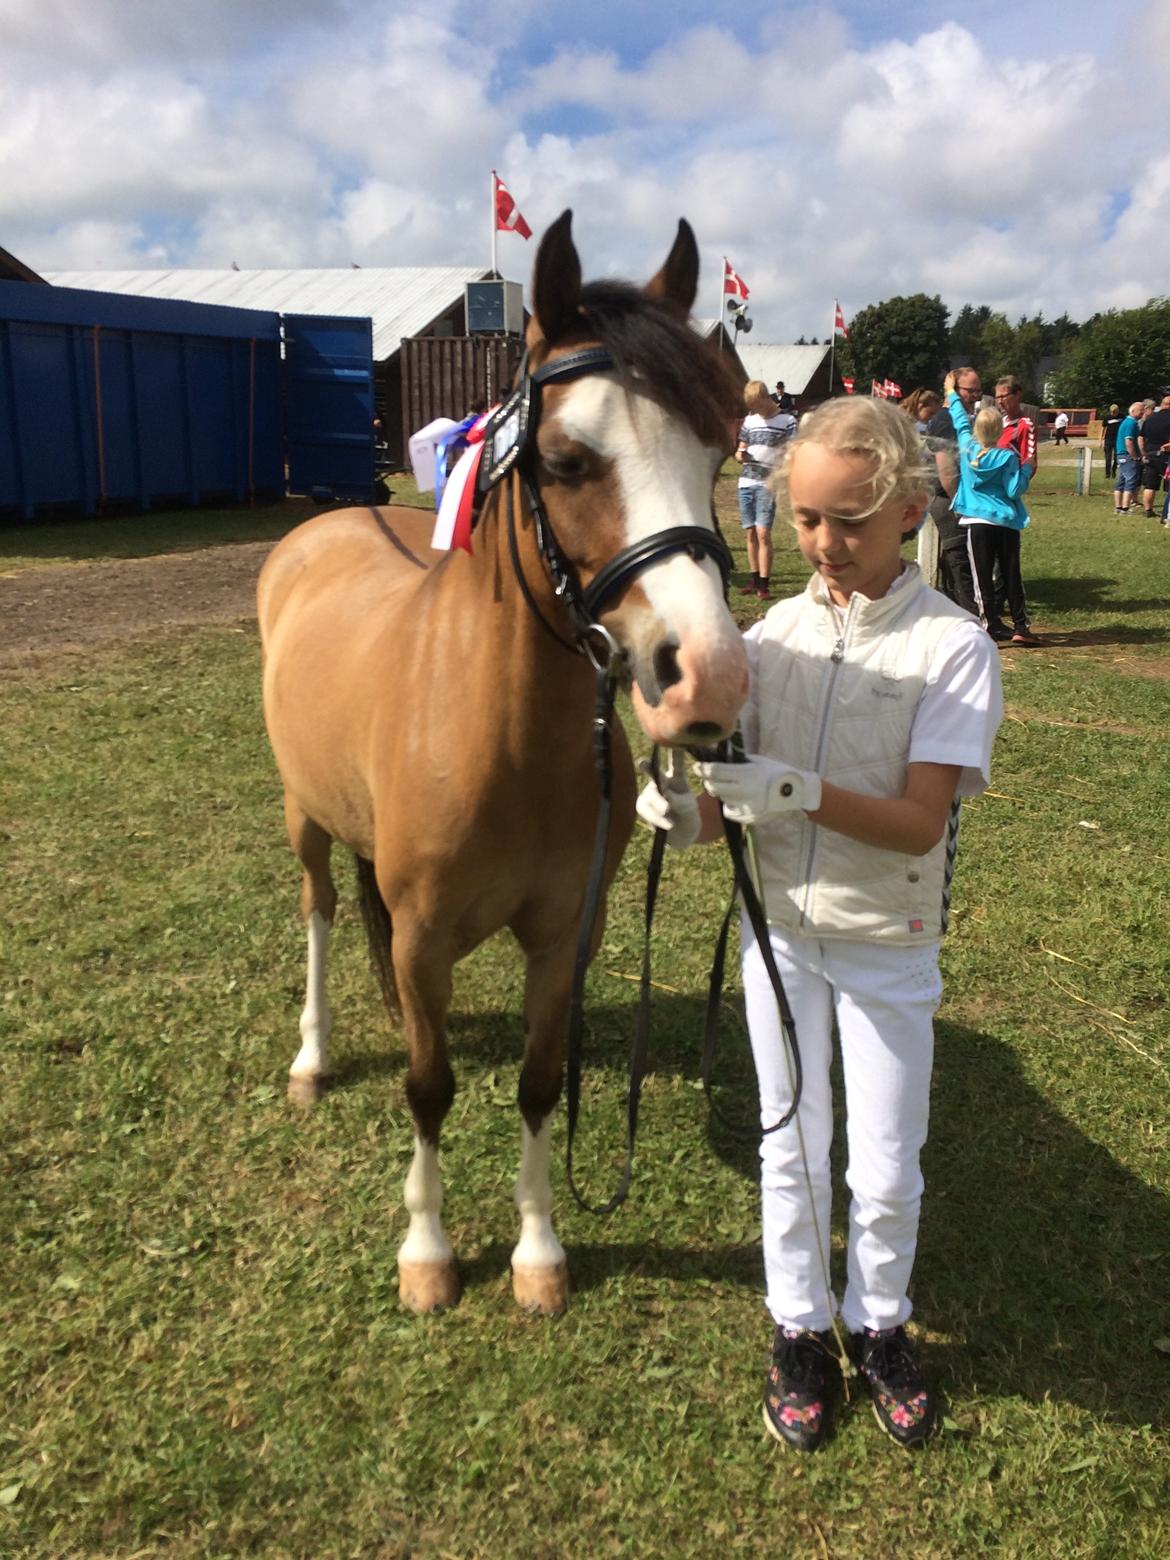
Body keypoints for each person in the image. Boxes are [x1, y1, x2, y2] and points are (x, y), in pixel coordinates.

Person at [636, 396, 1003, 1452]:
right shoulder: (769, 640)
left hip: (887, 944)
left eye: (848, 520)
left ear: (905, 510)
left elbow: (917, 823)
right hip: (780, 937)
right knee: (789, 1141)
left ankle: (881, 1323)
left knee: (886, 1162)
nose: (824, 543)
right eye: (804, 519)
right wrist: (687, 813)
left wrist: (792, 791)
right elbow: (728, 800)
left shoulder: (953, 648)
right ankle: (799, 1324)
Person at [944, 372, 1038, 646]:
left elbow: (959, 419)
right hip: (1005, 522)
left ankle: (988, 625)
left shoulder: (968, 447)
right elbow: (1013, 491)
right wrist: (1025, 469)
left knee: (981, 577)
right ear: (999, 431)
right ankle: (1021, 625)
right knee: (1011, 574)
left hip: (975, 521)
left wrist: (951, 391)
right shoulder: (1008, 456)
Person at [924, 367, 980, 617]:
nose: (976, 395)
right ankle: (973, 616)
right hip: (949, 497)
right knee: (960, 558)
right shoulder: (946, 420)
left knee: (955, 560)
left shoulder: (955, 419)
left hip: (954, 496)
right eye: (971, 390)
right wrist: (960, 504)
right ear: (954, 390)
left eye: (979, 390)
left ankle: (957, 612)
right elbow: (946, 467)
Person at [736, 380, 796, 600]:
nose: (755, 410)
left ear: (765, 398)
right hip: (746, 482)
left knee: (763, 533)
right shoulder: (750, 421)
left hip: (767, 484)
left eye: (757, 405)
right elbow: (738, 451)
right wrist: (741, 455)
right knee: (750, 532)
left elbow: (792, 453)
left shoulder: (787, 420)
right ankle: (754, 579)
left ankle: (764, 584)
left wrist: (779, 477)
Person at [1137, 394, 1170, 519]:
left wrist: (1143, 452)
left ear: (1162, 405)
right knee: (1168, 487)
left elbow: (1141, 437)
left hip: (1151, 455)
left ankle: (1148, 510)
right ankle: (1167, 510)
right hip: (1167, 455)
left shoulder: (1150, 419)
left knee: (1150, 485)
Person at [994, 377, 1037, 471]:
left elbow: (1030, 465)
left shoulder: (1024, 426)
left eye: (1004, 396)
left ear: (1017, 395)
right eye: (997, 397)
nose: (1000, 402)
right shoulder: (998, 423)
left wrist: (1013, 484)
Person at [1114, 401, 1143, 514]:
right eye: (1140, 410)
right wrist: (1135, 456)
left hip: (1121, 454)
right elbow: (1129, 441)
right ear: (1133, 411)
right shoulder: (1131, 423)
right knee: (1130, 481)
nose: (1142, 412)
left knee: (1121, 481)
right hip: (1127, 455)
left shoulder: (1125, 422)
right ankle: (1125, 507)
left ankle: (1118, 506)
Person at [1100, 404, 1121, 482]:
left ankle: (1113, 471)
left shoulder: (1122, 417)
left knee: (1116, 457)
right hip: (1108, 439)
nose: (1113, 413)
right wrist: (1100, 440)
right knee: (1108, 457)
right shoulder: (1107, 418)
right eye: (1112, 412)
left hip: (1117, 439)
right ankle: (1107, 474)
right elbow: (1103, 428)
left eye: (1115, 412)